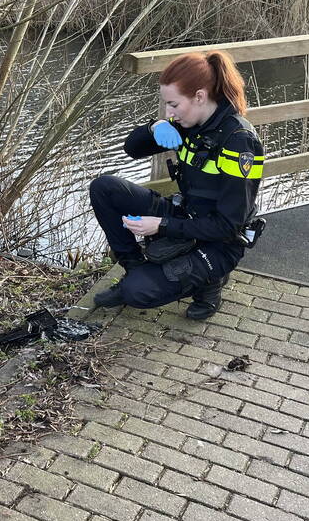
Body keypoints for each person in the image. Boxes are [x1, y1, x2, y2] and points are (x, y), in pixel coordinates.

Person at [89, 50, 265, 319]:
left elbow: (229, 225)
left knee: (137, 293)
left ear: (199, 96)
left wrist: (160, 225)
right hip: (185, 215)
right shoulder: (188, 122)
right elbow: (132, 149)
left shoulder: (239, 142)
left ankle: (210, 284)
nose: (169, 112)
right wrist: (155, 127)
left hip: (220, 242)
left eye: (173, 104)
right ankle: (134, 268)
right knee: (104, 188)